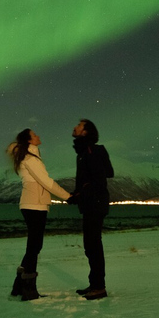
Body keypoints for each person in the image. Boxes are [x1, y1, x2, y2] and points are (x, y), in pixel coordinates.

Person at [7, 128, 72, 301]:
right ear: (29, 141)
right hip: (35, 205)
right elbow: (47, 182)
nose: (39, 136)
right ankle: (28, 290)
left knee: (33, 246)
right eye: (35, 135)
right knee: (35, 246)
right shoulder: (30, 158)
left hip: (33, 204)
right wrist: (68, 197)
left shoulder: (29, 157)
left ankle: (19, 286)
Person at [68, 119, 114, 300]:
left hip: (95, 203)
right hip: (90, 203)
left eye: (79, 125)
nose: (74, 126)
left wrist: (82, 193)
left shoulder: (92, 150)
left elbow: (101, 178)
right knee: (90, 245)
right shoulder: (82, 153)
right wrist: (76, 194)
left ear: (86, 132)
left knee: (93, 245)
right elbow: (103, 174)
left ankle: (99, 287)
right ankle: (94, 284)